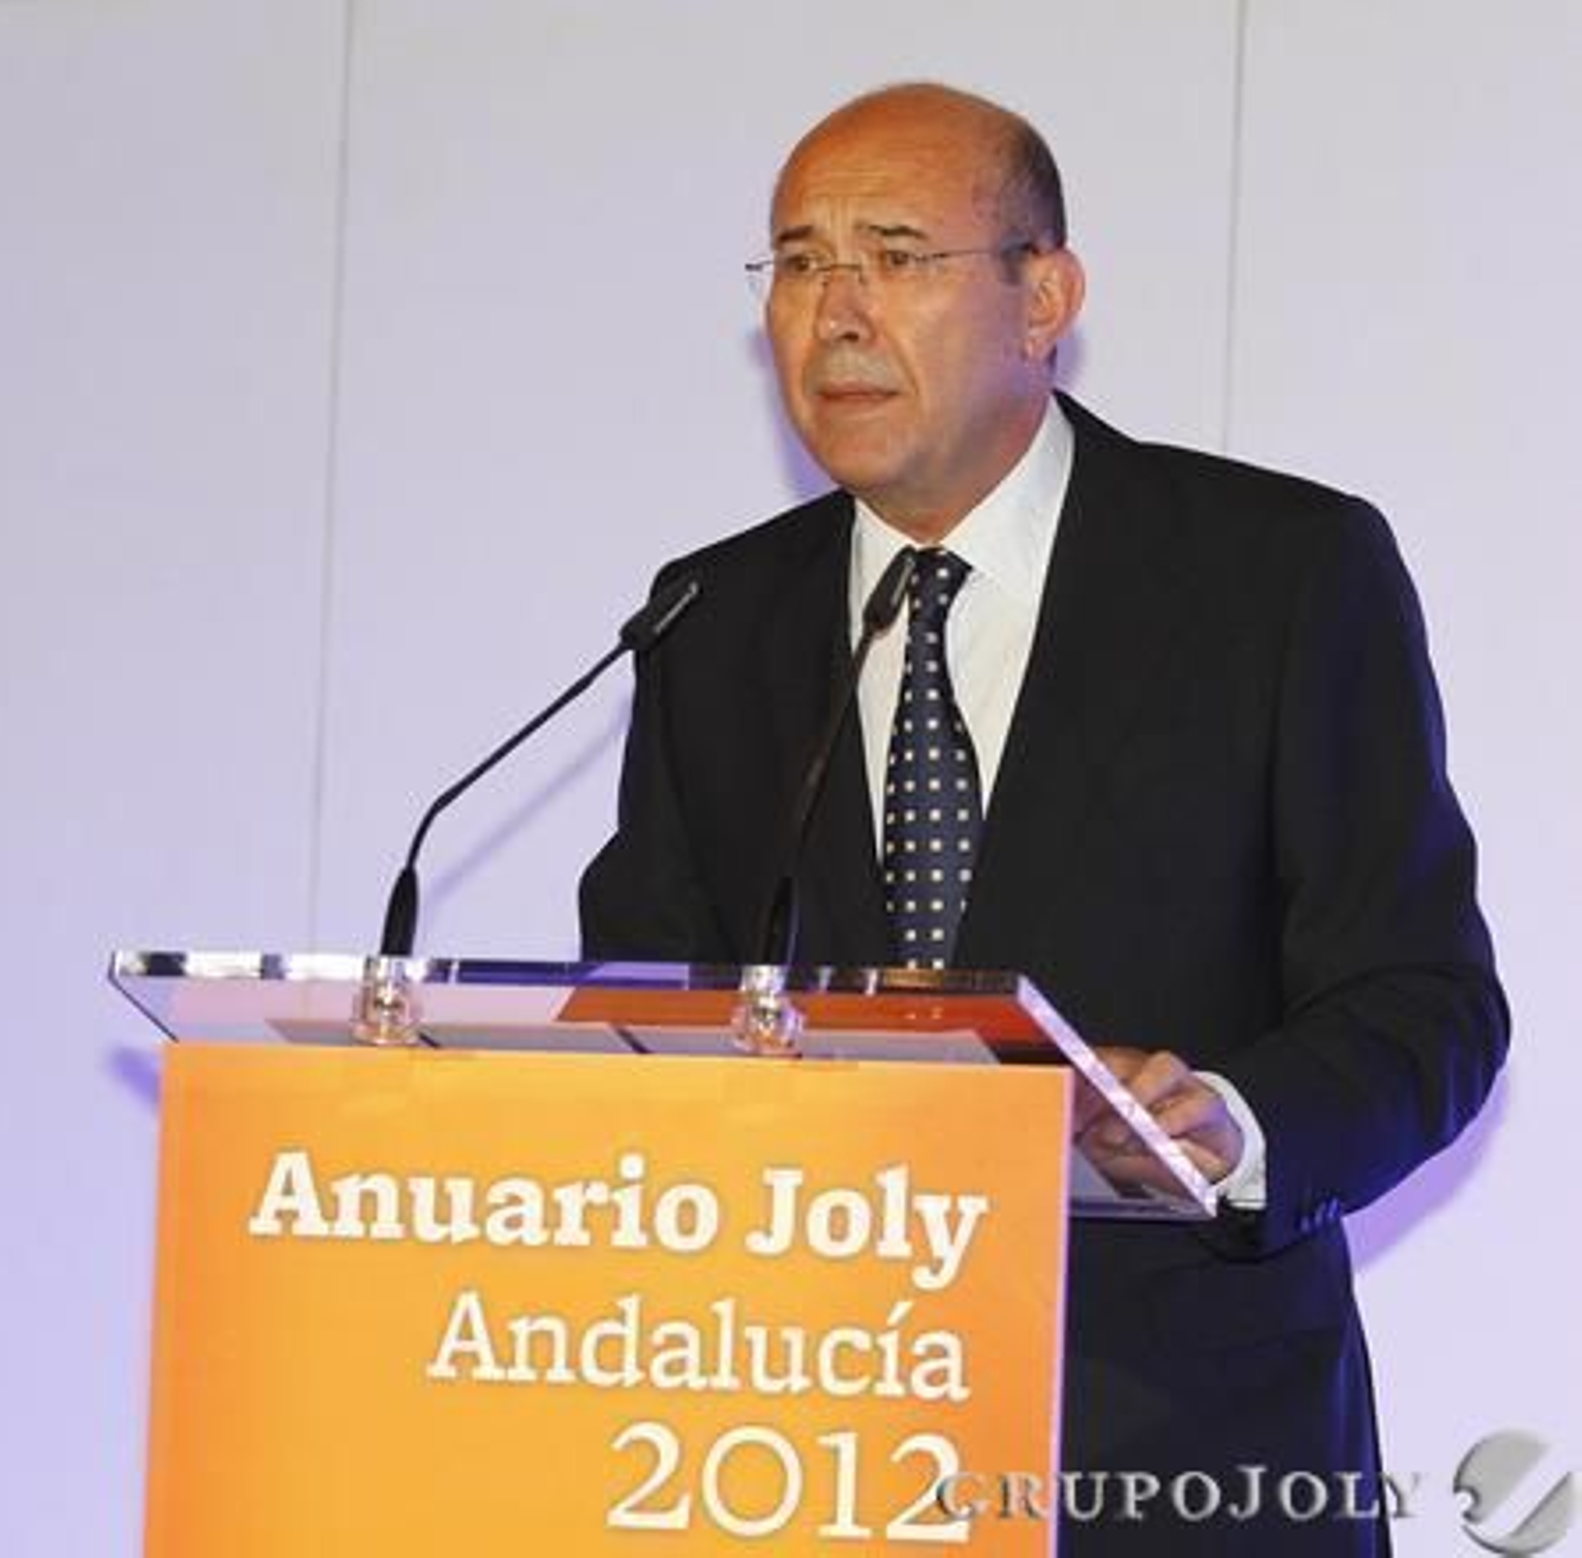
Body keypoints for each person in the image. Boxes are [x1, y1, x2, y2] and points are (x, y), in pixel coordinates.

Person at [579, 82, 1508, 1554]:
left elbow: (1425, 999)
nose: (835, 310)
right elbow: (650, 998)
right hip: (798, 1452)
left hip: (1181, 1462)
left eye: (894, 252)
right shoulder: (713, 618)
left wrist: (1234, 1125)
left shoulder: (1277, 574)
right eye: (800, 261)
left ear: (1044, 297)